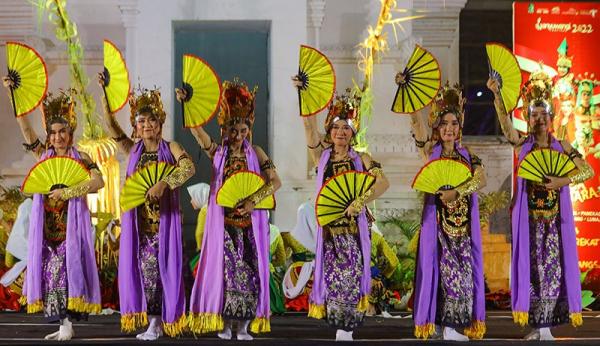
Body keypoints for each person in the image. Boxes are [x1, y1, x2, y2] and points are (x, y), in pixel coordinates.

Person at [488, 70, 594, 340]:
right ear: (527, 117)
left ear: (551, 117)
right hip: (530, 222)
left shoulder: (563, 146)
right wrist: (497, 96)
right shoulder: (523, 145)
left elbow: (586, 171)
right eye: (533, 114)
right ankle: (537, 326)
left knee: (551, 271)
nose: (538, 119)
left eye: (542, 114)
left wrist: (562, 181)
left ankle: (546, 327)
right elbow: (506, 128)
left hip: (554, 224)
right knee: (532, 272)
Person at [3, 78, 103, 341]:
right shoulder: (44, 156)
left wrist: (68, 192)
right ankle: (62, 325)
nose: (58, 137)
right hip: (46, 229)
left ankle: (67, 323)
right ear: (49, 135)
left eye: (63, 131)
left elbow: (98, 182)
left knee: (67, 271)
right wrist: (14, 95)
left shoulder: (81, 158)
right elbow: (25, 130)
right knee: (51, 275)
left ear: (71, 133)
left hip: (70, 229)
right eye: (53, 132)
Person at [183, 78, 280, 340]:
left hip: (248, 227)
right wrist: (189, 106)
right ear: (224, 129)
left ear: (249, 128)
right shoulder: (218, 151)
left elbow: (275, 182)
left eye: (242, 130)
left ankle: (244, 325)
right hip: (223, 226)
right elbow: (199, 134)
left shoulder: (257, 153)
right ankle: (225, 324)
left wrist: (253, 200)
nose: (237, 136)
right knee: (225, 274)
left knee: (248, 273)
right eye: (232, 130)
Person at [293, 79, 390, 341]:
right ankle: (339, 326)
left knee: (351, 275)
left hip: (353, 233)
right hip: (329, 233)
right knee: (333, 278)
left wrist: (361, 200)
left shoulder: (363, 158)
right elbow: (309, 128)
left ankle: (347, 328)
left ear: (353, 131)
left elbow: (383, 183)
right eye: (336, 127)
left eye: (346, 128)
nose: (341, 132)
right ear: (330, 130)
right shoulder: (322, 157)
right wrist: (304, 95)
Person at [100, 76, 195, 340]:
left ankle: (161, 322)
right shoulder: (133, 151)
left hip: (164, 225)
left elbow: (188, 168)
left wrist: (164, 183)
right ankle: (154, 322)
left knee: (164, 272)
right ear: (136, 126)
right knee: (147, 274)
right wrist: (105, 94)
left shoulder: (171, 147)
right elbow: (111, 127)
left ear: (160, 123)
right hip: (140, 227)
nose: (146, 125)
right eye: (141, 121)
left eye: (151, 120)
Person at [399, 75, 487, 341]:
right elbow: (416, 124)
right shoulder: (430, 149)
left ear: (460, 127)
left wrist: (458, 191)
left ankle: (450, 326)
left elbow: (481, 179)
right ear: (437, 126)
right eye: (444, 123)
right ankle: (445, 327)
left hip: (462, 228)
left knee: (461, 274)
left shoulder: (468, 155)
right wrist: (410, 94)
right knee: (440, 271)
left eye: (454, 123)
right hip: (438, 227)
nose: (449, 128)